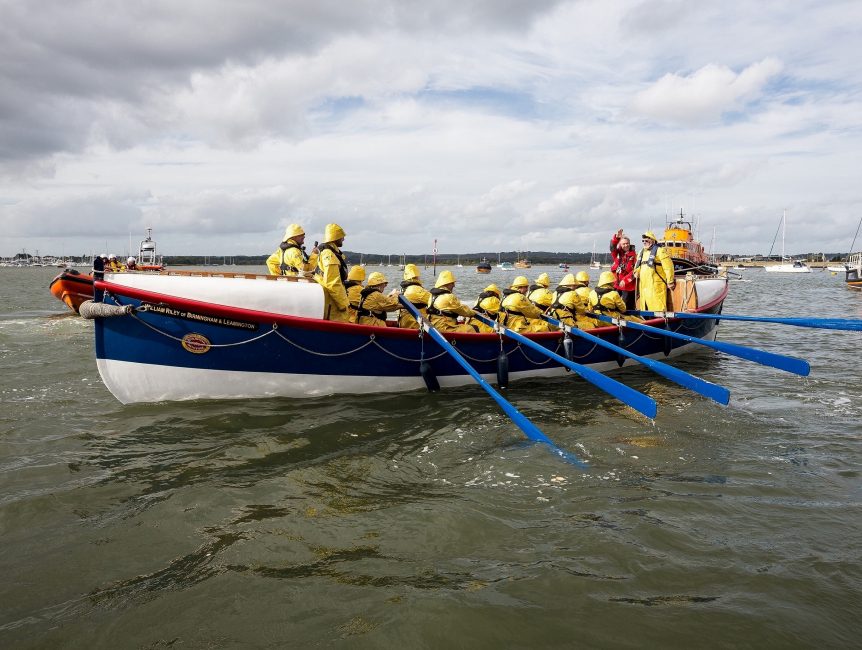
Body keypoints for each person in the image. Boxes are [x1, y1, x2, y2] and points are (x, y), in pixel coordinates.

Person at [316, 223, 350, 321]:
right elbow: (332, 282)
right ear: (335, 237)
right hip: (333, 303)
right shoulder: (329, 254)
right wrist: (343, 304)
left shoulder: (328, 252)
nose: (343, 239)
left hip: (330, 299)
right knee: (340, 325)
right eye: (341, 236)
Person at [635, 230, 675, 311]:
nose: (644, 242)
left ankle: (660, 321)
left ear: (652, 241)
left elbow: (668, 266)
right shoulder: (641, 252)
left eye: (646, 240)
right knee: (645, 308)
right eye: (643, 241)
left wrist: (670, 281)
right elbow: (637, 266)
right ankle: (646, 321)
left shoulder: (660, 251)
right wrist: (636, 272)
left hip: (656, 286)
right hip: (644, 286)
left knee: (658, 307)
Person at [610, 229, 638, 310]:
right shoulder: (617, 254)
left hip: (628, 286)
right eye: (623, 244)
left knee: (627, 308)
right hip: (617, 284)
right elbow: (612, 248)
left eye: (627, 243)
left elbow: (635, 271)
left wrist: (625, 281)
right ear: (620, 244)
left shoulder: (634, 256)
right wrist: (617, 238)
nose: (626, 245)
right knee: (612, 304)